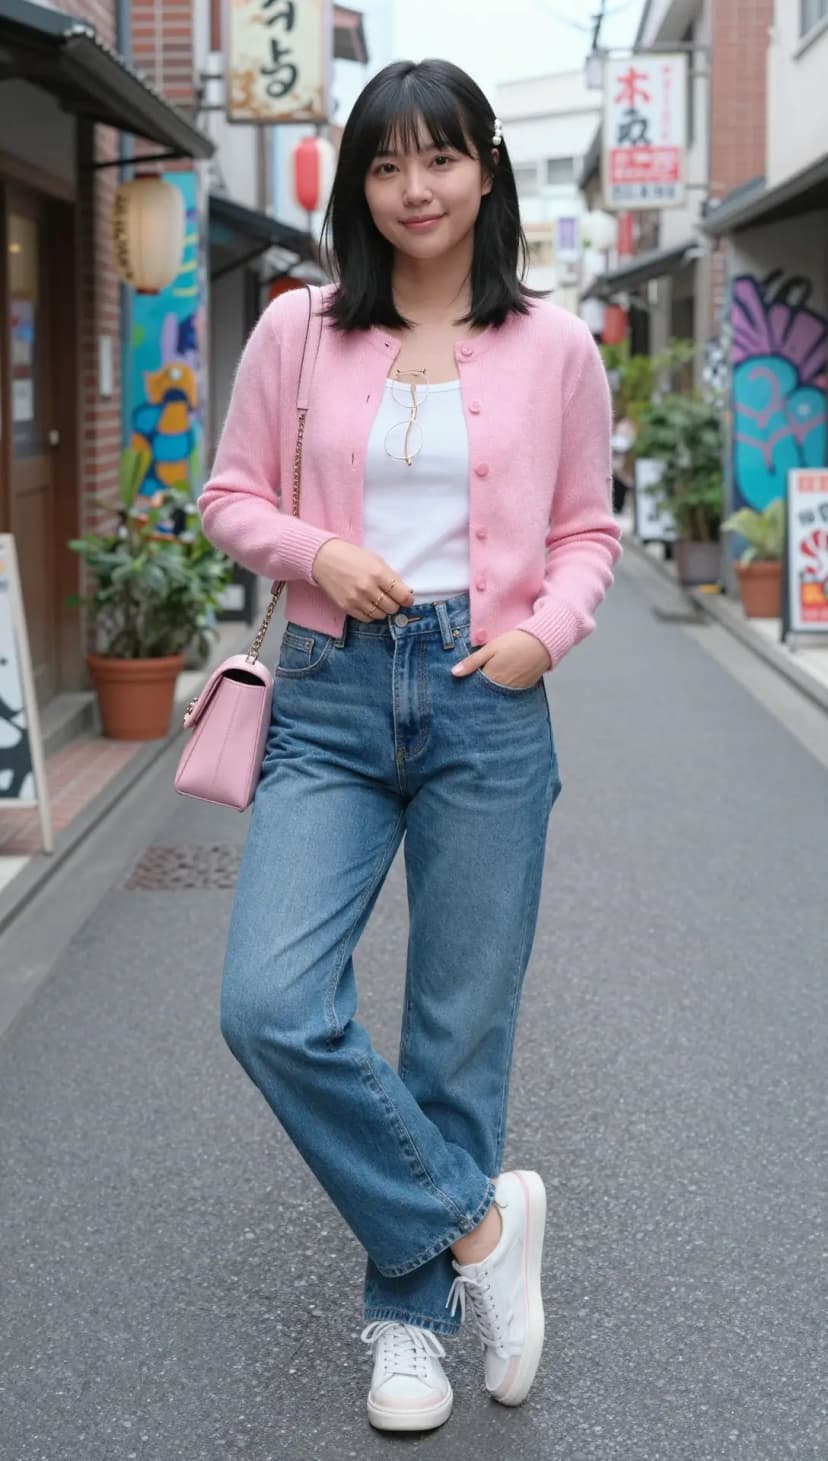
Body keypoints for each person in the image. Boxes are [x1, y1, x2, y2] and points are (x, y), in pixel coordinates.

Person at [198, 58, 621, 1434]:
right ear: (357, 187)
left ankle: (410, 1322)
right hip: (329, 693)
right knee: (270, 1001)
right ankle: (480, 1226)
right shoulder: (299, 328)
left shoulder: (555, 346)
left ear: (486, 170)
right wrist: (316, 549)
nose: (414, 189)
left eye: (439, 159)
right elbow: (229, 497)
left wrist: (545, 634)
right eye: (385, 165)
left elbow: (588, 530)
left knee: (456, 1031)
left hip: (489, 697)